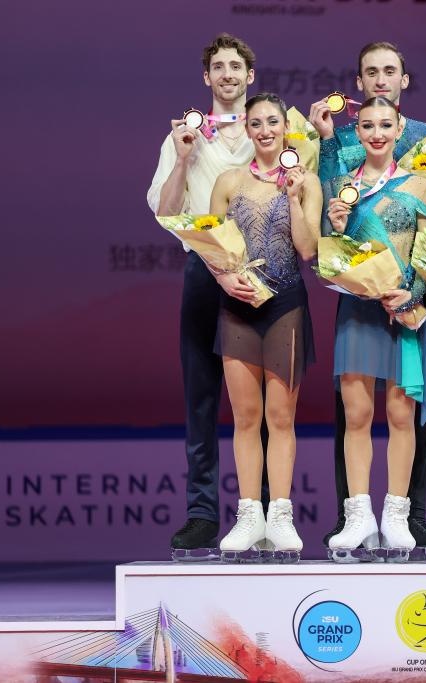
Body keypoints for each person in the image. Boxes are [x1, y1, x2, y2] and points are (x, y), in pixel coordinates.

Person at [309, 42, 426, 557]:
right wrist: (334, 226)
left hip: (405, 311)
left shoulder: (422, 185)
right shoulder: (342, 185)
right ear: (358, 129)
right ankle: (357, 518)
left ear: (399, 129)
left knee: (402, 415)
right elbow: (330, 252)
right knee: (356, 415)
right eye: (367, 126)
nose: (376, 133)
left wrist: (410, 293)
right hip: (358, 311)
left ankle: (398, 517)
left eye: (385, 126)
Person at [147, 33, 260, 560]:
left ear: (250, 76)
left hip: (258, 275)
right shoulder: (183, 137)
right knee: (201, 398)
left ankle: (260, 511)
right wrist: (182, 160)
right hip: (204, 271)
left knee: (258, 404)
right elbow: (166, 212)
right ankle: (201, 514)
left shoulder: (269, 131)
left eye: (236, 66)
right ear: (206, 77)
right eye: (219, 67)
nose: (228, 74)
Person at [207, 93, 321, 561]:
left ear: (285, 128)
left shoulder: (307, 181)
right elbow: (211, 245)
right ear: (247, 130)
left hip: (285, 308)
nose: (265, 130)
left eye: (273, 121)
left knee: (280, 418)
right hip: (238, 308)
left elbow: (309, 251)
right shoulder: (228, 181)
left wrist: (293, 198)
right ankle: (249, 515)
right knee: (245, 417)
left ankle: (281, 517)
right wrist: (225, 280)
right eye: (256, 123)